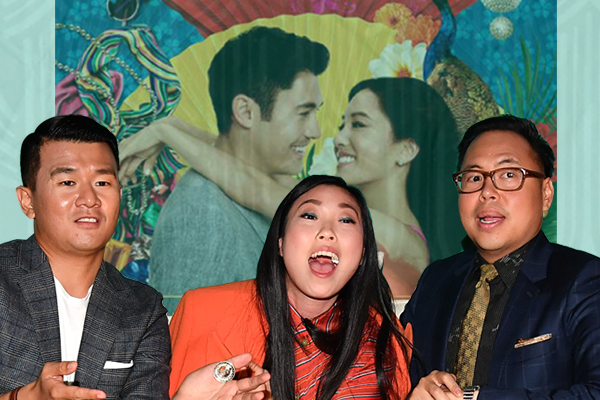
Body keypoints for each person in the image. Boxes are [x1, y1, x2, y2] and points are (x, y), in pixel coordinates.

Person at [120, 77, 462, 297]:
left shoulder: (404, 241)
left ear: (406, 149)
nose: (339, 138)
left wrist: (165, 133)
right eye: (343, 123)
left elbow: (258, 188)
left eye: (358, 125)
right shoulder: (351, 216)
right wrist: (175, 128)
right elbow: (249, 170)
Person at [401, 115, 600, 399]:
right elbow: (392, 378)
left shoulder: (584, 279)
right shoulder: (436, 280)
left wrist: (474, 398)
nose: (487, 192)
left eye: (508, 175)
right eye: (474, 177)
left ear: (546, 194)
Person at [169, 175, 413, 400]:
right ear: (281, 243)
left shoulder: (384, 334)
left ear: (362, 254)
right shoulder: (204, 312)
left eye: (346, 220)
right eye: (309, 216)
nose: (327, 232)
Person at [146, 26, 330, 313]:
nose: (315, 130)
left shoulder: (266, 190)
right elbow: (188, 348)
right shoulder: (200, 214)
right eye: (304, 113)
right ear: (246, 112)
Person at [0, 115, 170, 399]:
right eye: (68, 182)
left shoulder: (143, 310)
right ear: (27, 201)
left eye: (102, 183)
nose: (89, 199)